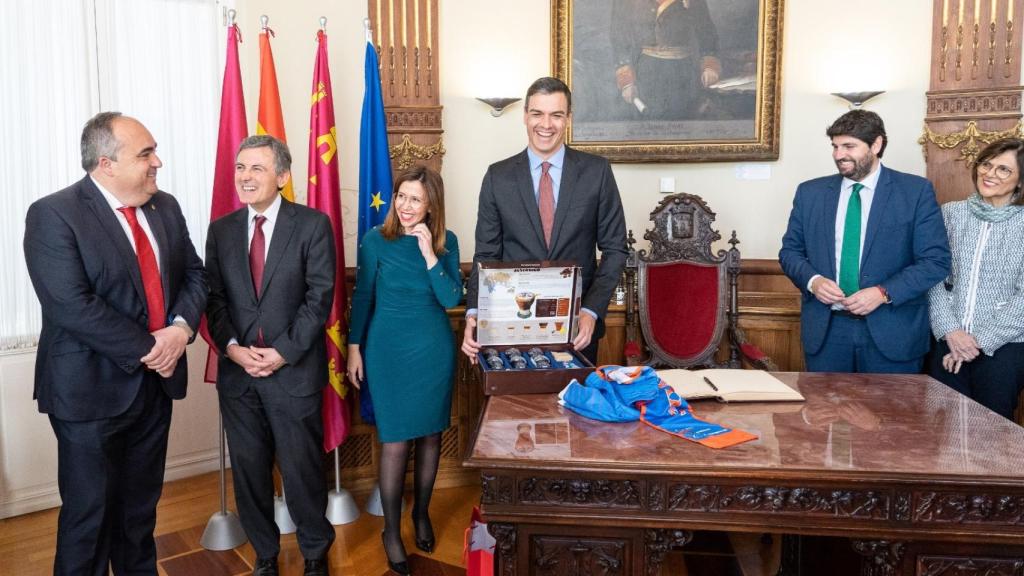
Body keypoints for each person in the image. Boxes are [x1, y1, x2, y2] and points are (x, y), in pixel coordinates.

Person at [23, 111, 207, 575]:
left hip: (153, 391)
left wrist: (181, 329)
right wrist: (154, 347)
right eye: (145, 154)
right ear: (106, 164)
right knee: (89, 519)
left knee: (138, 516)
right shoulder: (54, 213)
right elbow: (71, 305)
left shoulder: (164, 207)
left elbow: (195, 275)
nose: (157, 163)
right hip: (89, 394)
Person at [205, 135, 336, 576]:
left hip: (293, 374)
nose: (245, 176)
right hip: (239, 377)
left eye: (256, 168)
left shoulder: (313, 224)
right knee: (249, 471)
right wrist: (233, 349)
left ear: (282, 176)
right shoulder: (221, 230)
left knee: (302, 472)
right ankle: (265, 553)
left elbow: (319, 299)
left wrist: (281, 353)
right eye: (240, 167)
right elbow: (215, 300)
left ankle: (315, 554)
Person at [461, 76, 629, 364]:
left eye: (556, 115)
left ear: (568, 119)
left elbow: (615, 250)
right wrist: (474, 314)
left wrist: (591, 311)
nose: (546, 124)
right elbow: (485, 256)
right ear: (525, 116)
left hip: (577, 330)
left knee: (573, 409)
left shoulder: (596, 172)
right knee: (518, 408)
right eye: (537, 113)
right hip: (509, 327)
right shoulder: (497, 177)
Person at [347, 166, 462, 576]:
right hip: (387, 351)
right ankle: (391, 532)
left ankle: (423, 515)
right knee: (395, 442)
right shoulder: (376, 240)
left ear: (431, 204)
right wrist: (354, 349)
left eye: (415, 199)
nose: (406, 205)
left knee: (431, 435)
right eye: (401, 196)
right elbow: (362, 297)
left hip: (432, 349)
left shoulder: (448, 242)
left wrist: (431, 253)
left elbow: (451, 298)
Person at [779, 110, 950, 373]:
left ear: (876, 145)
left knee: (890, 414)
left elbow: (935, 261)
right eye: (835, 146)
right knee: (825, 414)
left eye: (849, 146)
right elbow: (790, 252)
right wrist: (814, 282)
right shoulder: (810, 193)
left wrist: (883, 293)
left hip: (893, 332)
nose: (839, 155)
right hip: (827, 333)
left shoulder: (915, 191)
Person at [928, 138, 1024, 420]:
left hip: (1005, 349)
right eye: (986, 164)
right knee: (941, 430)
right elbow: (934, 278)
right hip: (948, 341)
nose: (990, 173)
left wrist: (978, 340)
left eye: (1003, 170)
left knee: (992, 433)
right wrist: (951, 332)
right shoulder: (950, 214)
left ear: (1020, 180)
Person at [610, 0, 720, 120]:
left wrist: (710, 66)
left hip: (684, 74)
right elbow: (619, 38)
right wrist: (626, 81)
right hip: (646, 75)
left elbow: (706, 31)